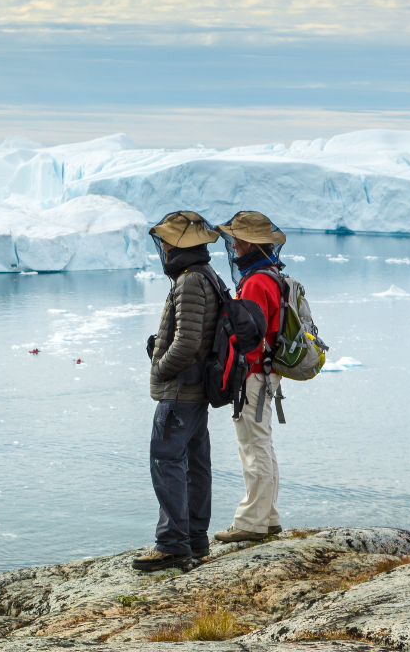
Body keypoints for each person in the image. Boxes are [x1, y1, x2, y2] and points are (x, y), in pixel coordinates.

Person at [132, 211, 222, 572]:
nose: (165, 246)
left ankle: (172, 544)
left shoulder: (188, 281)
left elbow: (186, 343)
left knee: (166, 461)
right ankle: (196, 540)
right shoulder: (207, 275)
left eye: (169, 240)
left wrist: (159, 364)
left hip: (180, 392)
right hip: (196, 390)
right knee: (196, 464)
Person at [213, 211, 287, 542]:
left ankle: (250, 523)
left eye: (239, 239)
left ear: (249, 243)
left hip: (255, 374)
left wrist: (238, 371)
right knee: (263, 444)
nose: (235, 245)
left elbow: (251, 335)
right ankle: (267, 516)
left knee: (253, 445)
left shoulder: (256, 281)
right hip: (266, 373)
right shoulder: (271, 275)